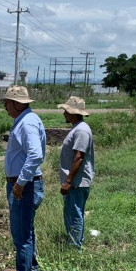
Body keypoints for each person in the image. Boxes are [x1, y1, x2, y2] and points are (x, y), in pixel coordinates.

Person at [1, 85, 46, 271]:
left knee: (22, 235)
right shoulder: (24, 120)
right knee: (25, 231)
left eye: (7, 102)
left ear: (18, 104)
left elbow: (35, 155)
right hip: (23, 184)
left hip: (24, 186)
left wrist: (20, 182)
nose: (5, 106)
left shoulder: (27, 123)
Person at [57, 96, 94, 249]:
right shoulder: (77, 128)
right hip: (74, 182)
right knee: (72, 213)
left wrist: (68, 181)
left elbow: (79, 157)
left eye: (66, 111)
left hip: (77, 183)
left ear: (74, 112)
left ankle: (74, 247)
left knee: (74, 214)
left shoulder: (81, 131)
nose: (64, 113)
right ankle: (75, 242)